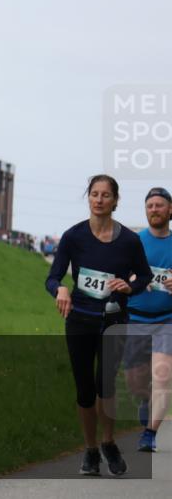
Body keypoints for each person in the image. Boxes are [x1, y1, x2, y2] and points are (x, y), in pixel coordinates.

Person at [46, 174, 153, 476]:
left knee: (105, 386)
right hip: (79, 320)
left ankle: (109, 442)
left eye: (106, 195)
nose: (99, 199)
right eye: (94, 194)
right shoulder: (73, 237)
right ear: (89, 198)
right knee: (84, 390)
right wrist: (61, 289)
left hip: (113, 321)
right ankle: (91, 449)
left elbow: (144, 276)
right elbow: (53, 277)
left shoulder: (130, 241)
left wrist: (130, 287)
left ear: (115, 200)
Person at [123, 187, 172, 452]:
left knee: (162, 376)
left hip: (168, 319)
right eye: (150, 205)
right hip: (136, 317)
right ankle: (144, 400)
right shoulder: (134, 242)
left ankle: (150, 434)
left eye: (159, 205)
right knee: (135, 380)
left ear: (170, 210)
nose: (154, 209)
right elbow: (119, 274)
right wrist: (133, 279)